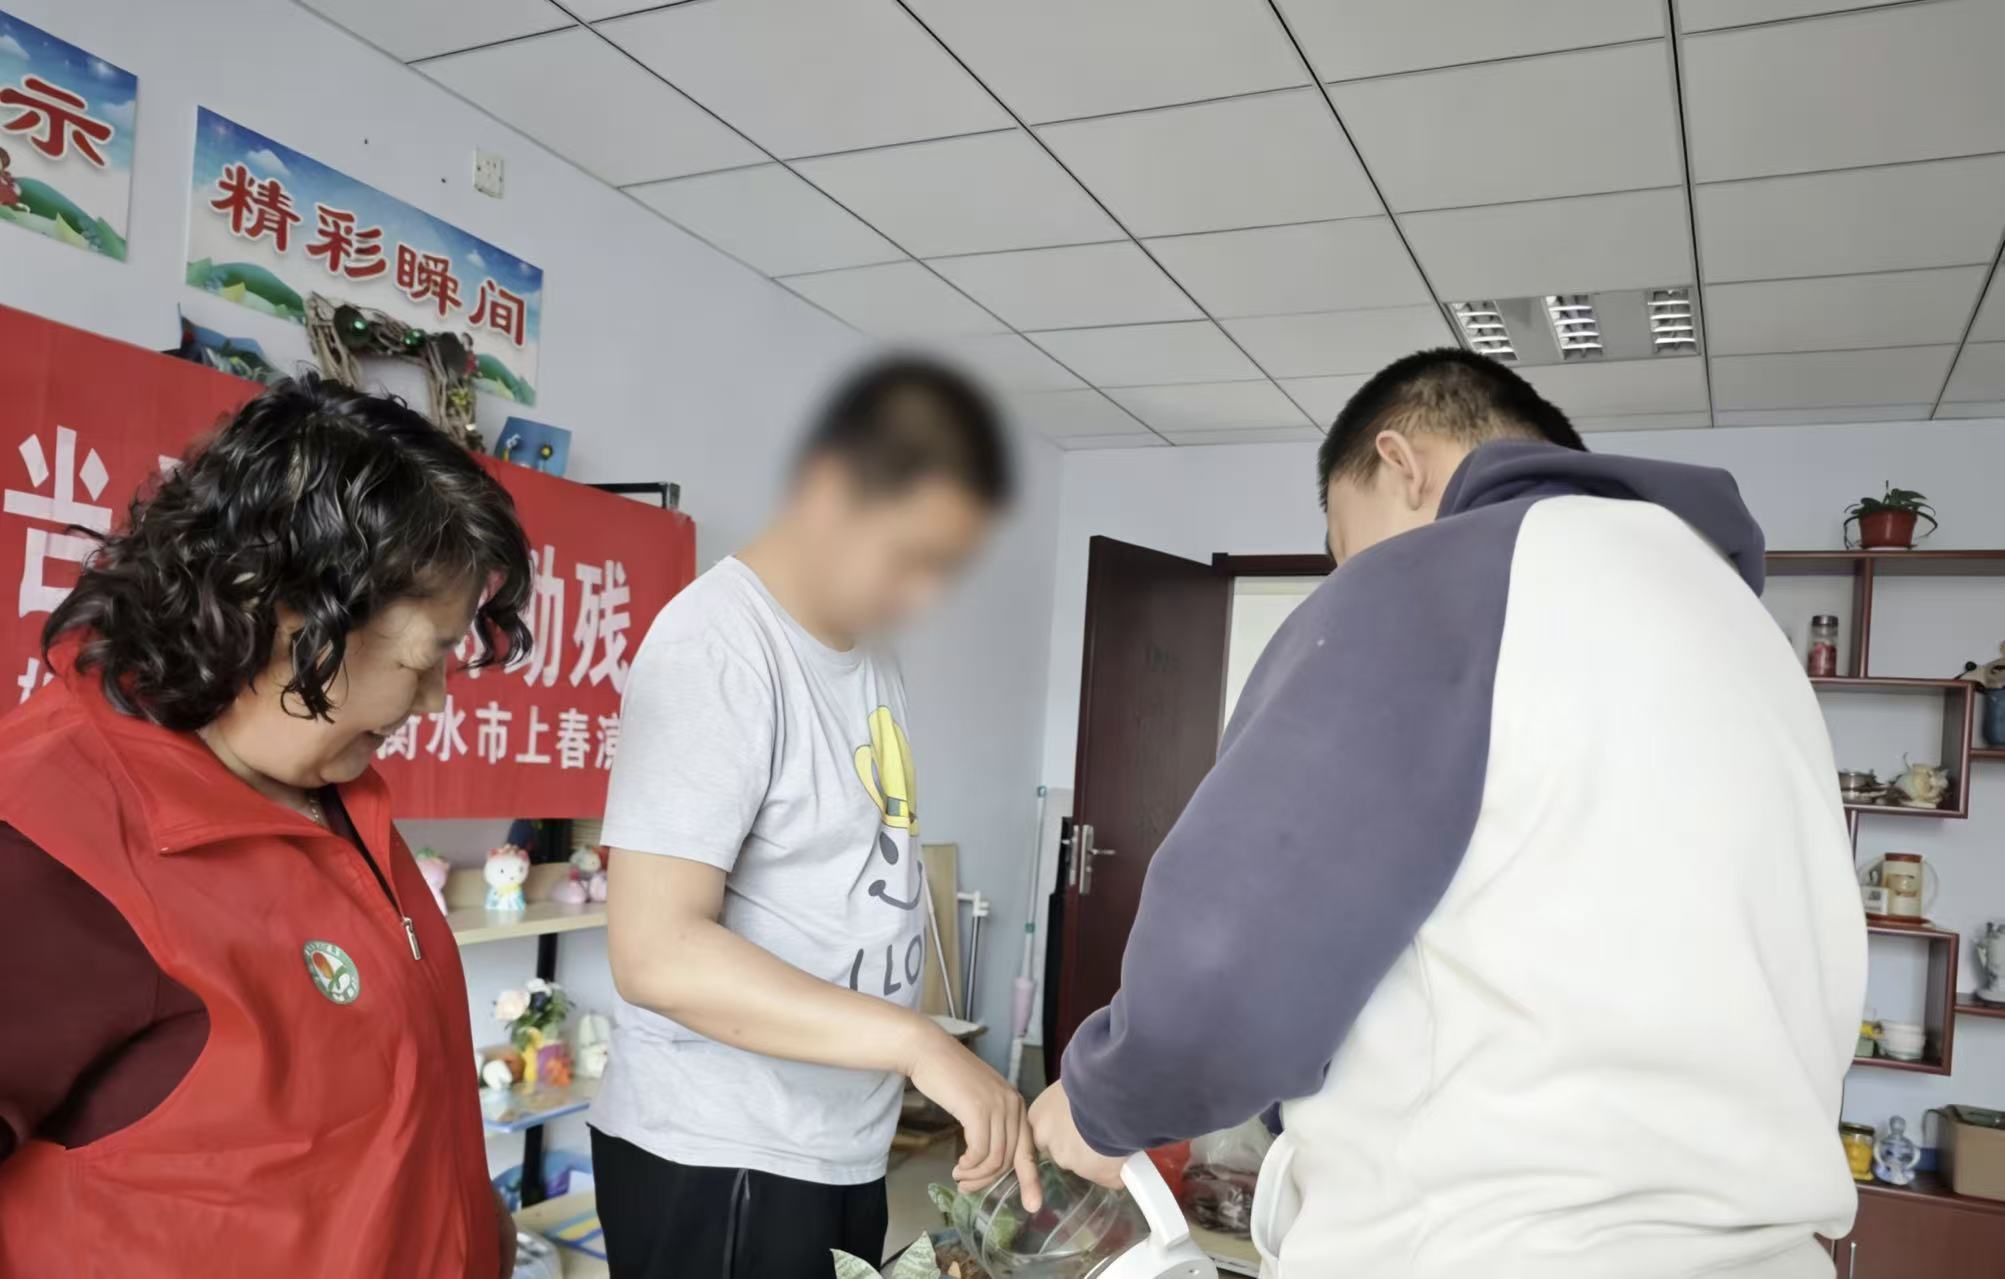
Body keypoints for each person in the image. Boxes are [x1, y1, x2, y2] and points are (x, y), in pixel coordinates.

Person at [1031, 348, 1865, 1277]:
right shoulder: (1738, 627)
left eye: (1345, 543)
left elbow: (1226, 964)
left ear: (1401, 464)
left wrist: (1103, 1099)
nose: (1352, 571)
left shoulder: (1443, 570)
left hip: (1494, 1248)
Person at [0, 375, 532, 1276]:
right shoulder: (48, 845)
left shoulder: (329, 789)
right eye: (424, 656)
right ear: (290, 613)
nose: (436, 699)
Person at [591, 356, 1036, 1277]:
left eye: (944, 570)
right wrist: (916, 1042)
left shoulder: (867, 653)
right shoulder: (716, 645)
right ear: (830, 492)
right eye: (911, 558)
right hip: (723, 1152)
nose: (923, 597)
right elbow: (655, 950)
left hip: (835, 1141)